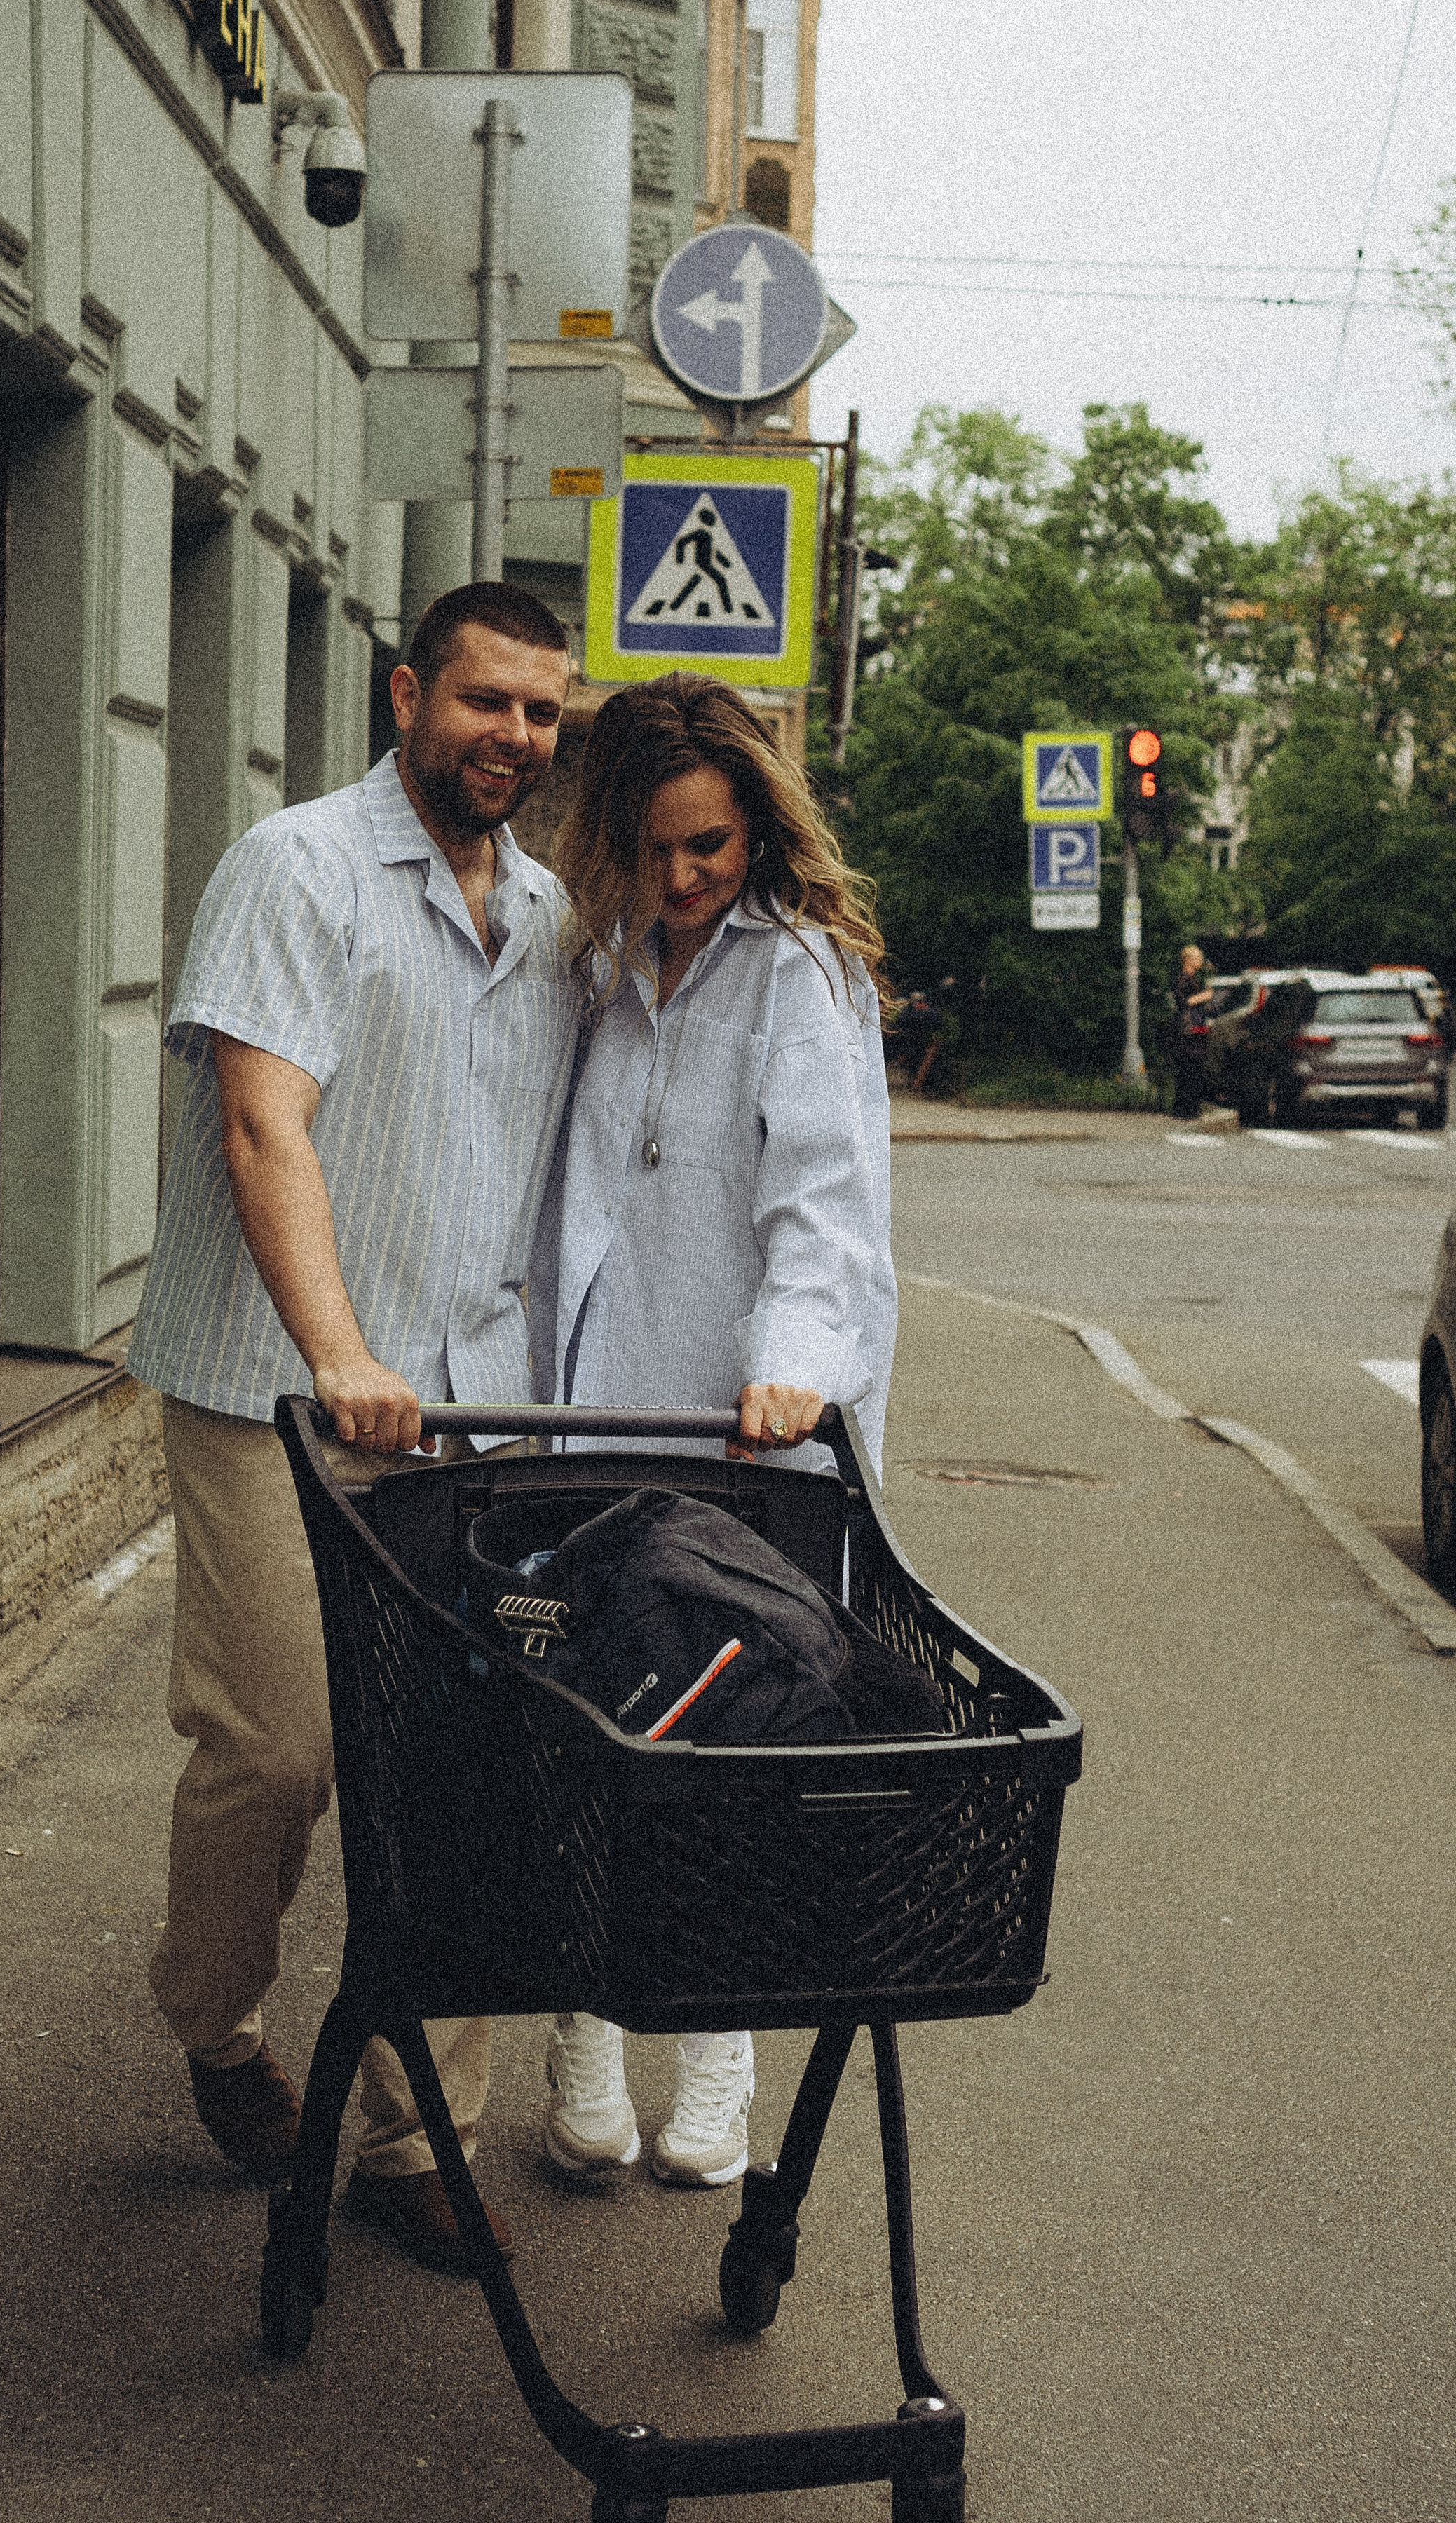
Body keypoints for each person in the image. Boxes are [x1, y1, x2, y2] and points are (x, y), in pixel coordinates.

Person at [127, 580, 577, 2273]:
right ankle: (213, 2019)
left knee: (454, 1767)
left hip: (471, 1416)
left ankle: (413, 2127)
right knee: (283, 1746)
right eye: (483, 703)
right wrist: (341, 1352)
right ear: (407, 694)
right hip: (273, 1385)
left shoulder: (543, 909)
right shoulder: (295, 867)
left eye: (539, 713)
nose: (512, 739)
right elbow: (263, 1129)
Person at [526, 673, 897, 2191]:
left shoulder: (795, 972)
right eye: (659, 849)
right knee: (583, 1701)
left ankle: (720, 2046)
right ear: (614, 836)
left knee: (728, 1731)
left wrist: (793, 1367)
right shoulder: (596, 959)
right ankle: (585, 2019)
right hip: (581, 1400)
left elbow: (823, 1203)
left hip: (733, 1420)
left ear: (757, 831)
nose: (684, 880)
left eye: (713, 849)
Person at [1171, 943, 1213, 1118]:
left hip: (1194, 1031)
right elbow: (1184, 1002)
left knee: (1192, 1069)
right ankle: (1185, 1109)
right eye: (1198, 959)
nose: (1201, 962)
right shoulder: (1183, 978)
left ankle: (1189, 1107)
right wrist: (1205, 996)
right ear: (1188, 960)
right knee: (1189, 1068)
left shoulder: (1193, 978)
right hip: (1187, 1032)